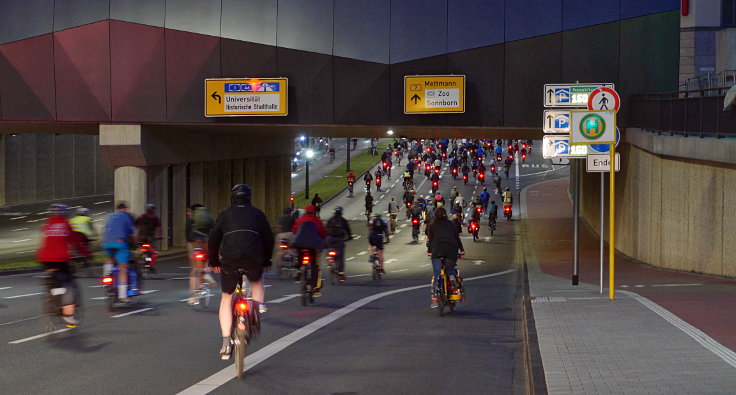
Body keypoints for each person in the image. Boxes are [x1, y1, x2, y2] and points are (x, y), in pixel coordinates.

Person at [209, 184, 274, 360]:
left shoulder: (224, 215)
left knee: (226, 297)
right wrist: (266, 260)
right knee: (256, 282)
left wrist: (214, 261)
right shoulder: (258, 214)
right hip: (253, 259)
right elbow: (268, 238)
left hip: (230, 259)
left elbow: (214, 238)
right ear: (249, 198)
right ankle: (254, 312)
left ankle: (225, 343)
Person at [37, 204, 80, 327]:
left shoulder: (46, 225)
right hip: (61, 259)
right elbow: (75, 241)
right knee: (68, 285)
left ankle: (51, 296)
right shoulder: (66, 225)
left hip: (44, 259)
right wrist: (84, 254)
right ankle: (68, 316)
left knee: (53, 279)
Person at [426, 207, 464, 308]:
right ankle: (451, 276)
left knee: (437, 274)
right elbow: (457, 237)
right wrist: (462, 250)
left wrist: (429, 251)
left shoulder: (432, 225)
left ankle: (435, 300)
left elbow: (430, 240)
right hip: (451, 249)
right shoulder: (451, 224)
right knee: (450, 268)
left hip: (438, 250)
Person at [102, 202, 136, 302]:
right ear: (125, 209)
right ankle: (122, 296)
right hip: (120, 243)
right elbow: (133, 234)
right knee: (122, 269)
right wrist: (135, 244)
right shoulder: (126, 216)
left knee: (109, 258)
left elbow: (105, 230)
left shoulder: (110, 216)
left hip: (106, 243)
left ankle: (107, 274)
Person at [291, 204, 328, 295]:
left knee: (299, 256)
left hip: (300, 244)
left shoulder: (300, 220)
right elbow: (322, 232)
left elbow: (294, 231)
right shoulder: (316, 220)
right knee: (315, 265)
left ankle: (298, 269)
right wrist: (323, 241)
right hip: (313, 245)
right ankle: (314, 286)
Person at [187, 204, 216, 304]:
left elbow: (188, 237)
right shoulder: (208, 218)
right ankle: (207, 273)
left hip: (195, 241)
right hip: (206, 240)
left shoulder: (190, 221)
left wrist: (191, 251)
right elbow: (215, 229)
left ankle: (193, 296)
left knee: (195, 268)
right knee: (208, 257)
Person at [324, 207, 352, 280]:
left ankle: (329, 257)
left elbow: (325, 229)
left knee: (328, 247)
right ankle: (340, 272)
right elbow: (348, 230)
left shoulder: (330, 220)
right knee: (340, 256)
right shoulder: (343, 220)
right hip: (339, 239)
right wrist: (349, 237)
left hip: (330, 238)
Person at [135, 203, 161, 270]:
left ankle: (139, 261)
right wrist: (159, 236)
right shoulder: (155, 218)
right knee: (154, 253)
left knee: (138, 251)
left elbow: (136, 226)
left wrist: (137, 236)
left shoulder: (141, 217)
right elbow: (158, 229)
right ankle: (151, 265)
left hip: (141, 238)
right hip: (150, 238)